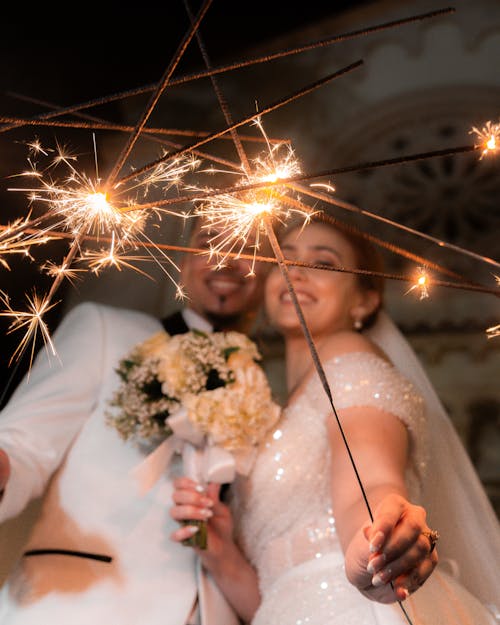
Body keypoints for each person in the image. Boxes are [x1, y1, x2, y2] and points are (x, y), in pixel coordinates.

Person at [170, 216, 500, 624]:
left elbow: (369, 481)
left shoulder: (348, 355)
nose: (297, 273)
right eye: (284, 261)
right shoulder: (273, 409)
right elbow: (275, 596)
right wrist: (222, 555)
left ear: (364, 300)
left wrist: (379, 542)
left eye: (323, 264)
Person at [0, 216, 270, 625]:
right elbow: (24, 446)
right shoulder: (105, 327)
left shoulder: (270, 396)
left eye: (248, 249)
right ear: (181, 262)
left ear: (271, 273)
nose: (226, 259)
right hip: (78, 603)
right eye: (208, 240)